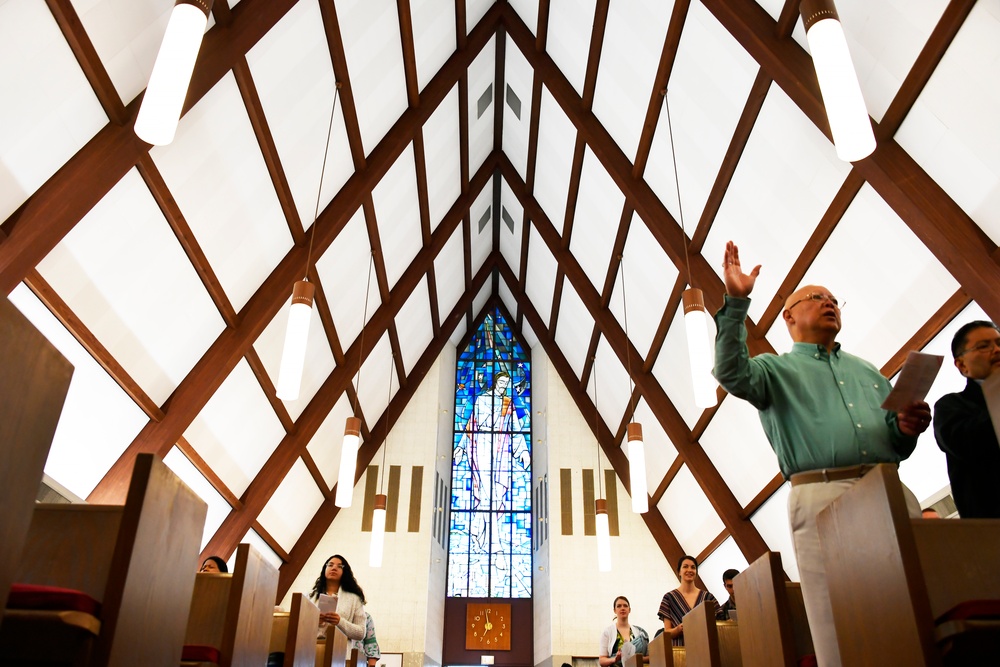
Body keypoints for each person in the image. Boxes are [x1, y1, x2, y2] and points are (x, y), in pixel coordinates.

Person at [713, 241, 931, 666]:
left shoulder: (868, 371)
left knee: (915, 600)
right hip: (820, 493)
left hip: (885, 487)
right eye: (817, 298)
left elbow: (896, 440)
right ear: (789, 317)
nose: (829, 304)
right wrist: (737, 302)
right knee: (836, 615)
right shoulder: (773, 369)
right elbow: (729, 371)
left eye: (834, 300)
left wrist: (906, 427)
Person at [453, 370, 530, 551]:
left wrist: (524, 451)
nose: (503, 385)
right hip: (482, 444)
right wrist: (461, 448)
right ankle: (495, 543)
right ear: (495, 382)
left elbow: (515, 429)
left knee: (496, 490)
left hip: (501, 447)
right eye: (501, 382)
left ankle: (477, 529)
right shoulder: (481, 399)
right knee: (489, 491)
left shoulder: (507, 403)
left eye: (506, 382)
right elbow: (471, 425)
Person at [932, 320, 1000, 518]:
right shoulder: (951, 406)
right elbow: (973, 443)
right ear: (961, 364)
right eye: (983, 347)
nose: (996, 350)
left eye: (998, 343)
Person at [657, 555, 717, 647]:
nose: (689, 570)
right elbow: (667, 632)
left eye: (693, 567)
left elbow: (718, 625)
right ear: (679, 572)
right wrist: (678, 629)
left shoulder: (708, 597)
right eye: (685, 566)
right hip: (680, 651)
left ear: (696, 572)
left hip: (705, 647)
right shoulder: (669, 598)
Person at [309, 554, 366, 641]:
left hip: (339, 650)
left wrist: (339, 621)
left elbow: (361, 633)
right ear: (325, 569)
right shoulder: (310, 596)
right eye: (330, 565)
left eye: (339, 566)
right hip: (310, 648)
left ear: (344, 572)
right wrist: (315, 621)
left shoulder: (354, 599)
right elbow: (299, 625)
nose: (334, 568)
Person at [598, 596, 648, 667]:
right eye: (619, 606)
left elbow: (649, 657)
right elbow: (602, 660)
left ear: (629, 610)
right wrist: (615, 659)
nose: (622, 608)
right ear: (614, 610)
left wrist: (636, 658)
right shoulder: (607, 632)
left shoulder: (639, 632)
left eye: (625, 606)